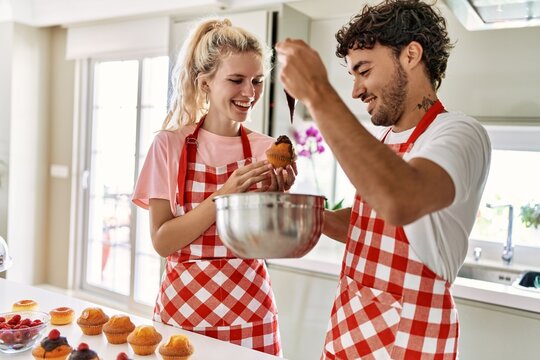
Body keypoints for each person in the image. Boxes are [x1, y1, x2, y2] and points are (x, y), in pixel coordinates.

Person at [275, 0, 491, 358]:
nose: (357, 91)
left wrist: (316, 90)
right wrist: (307, 214)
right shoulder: (388, 140)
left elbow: (399, 201)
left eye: (364, 70)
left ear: (411, 55)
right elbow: (372, 224)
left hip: (408, 339)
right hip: (351, 329)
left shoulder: (459, 134)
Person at [132, 18, 295, 356]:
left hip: (252, 312)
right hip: (185, 313)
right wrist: (224, 196)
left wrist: (278, 202)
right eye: (236, 80)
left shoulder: (268, 150)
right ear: (205, 83)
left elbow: (269, 245)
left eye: (257, 81)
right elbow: (163, 241)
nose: (249, 93)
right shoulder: (169, 145)